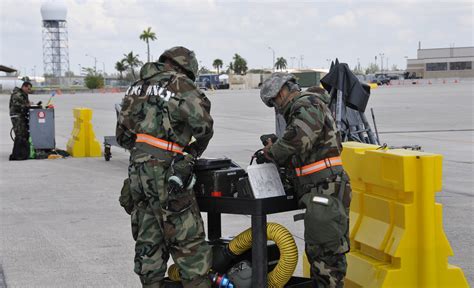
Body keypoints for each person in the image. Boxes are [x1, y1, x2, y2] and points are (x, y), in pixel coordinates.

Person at [116, 46, 213, 288]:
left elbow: (122, 136)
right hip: (167, 170)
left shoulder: (136, 86)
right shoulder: (180, 84)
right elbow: (203, 126)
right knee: (188, 241)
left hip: (137, 171)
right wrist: (190, 152)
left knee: (149, 236)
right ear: (185, 67)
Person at [259, 73, 351, 288]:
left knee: (326, 259)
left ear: (282, 92)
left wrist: (272, 151)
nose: (277, 108)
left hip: (324, 191)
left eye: (274, 102)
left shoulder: (307, 104)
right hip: (318, 191)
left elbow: (298, 140)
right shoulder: (307, 106)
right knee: (319, 254)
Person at [9, 81, 32, 161]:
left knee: (24, 133)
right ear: (24, 87)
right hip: (16, 116)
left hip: (21, 115)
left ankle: (22, 151)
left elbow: (25, 103)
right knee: (20, 134)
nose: (29, 91)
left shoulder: (23, 94)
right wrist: (26, 105)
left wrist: (28, 104)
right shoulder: (17, 94)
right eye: (28, 89)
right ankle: (18, 154)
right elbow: (16, 105)